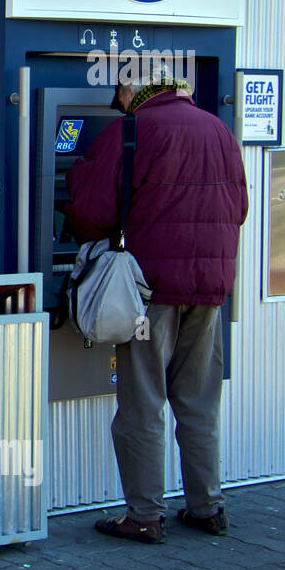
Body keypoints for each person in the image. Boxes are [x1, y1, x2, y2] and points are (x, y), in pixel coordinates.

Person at [64, 68, 248, 544]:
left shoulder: (131, 130)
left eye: (119, 96)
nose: (119, 105)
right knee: (200, 400)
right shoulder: (219, 129)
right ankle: (208, 508)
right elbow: (240, 208)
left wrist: (82, 172)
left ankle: (144, 516)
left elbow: (91, 212)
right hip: (208, 290)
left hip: (149, 293)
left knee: (143, 403)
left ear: (131, 91)